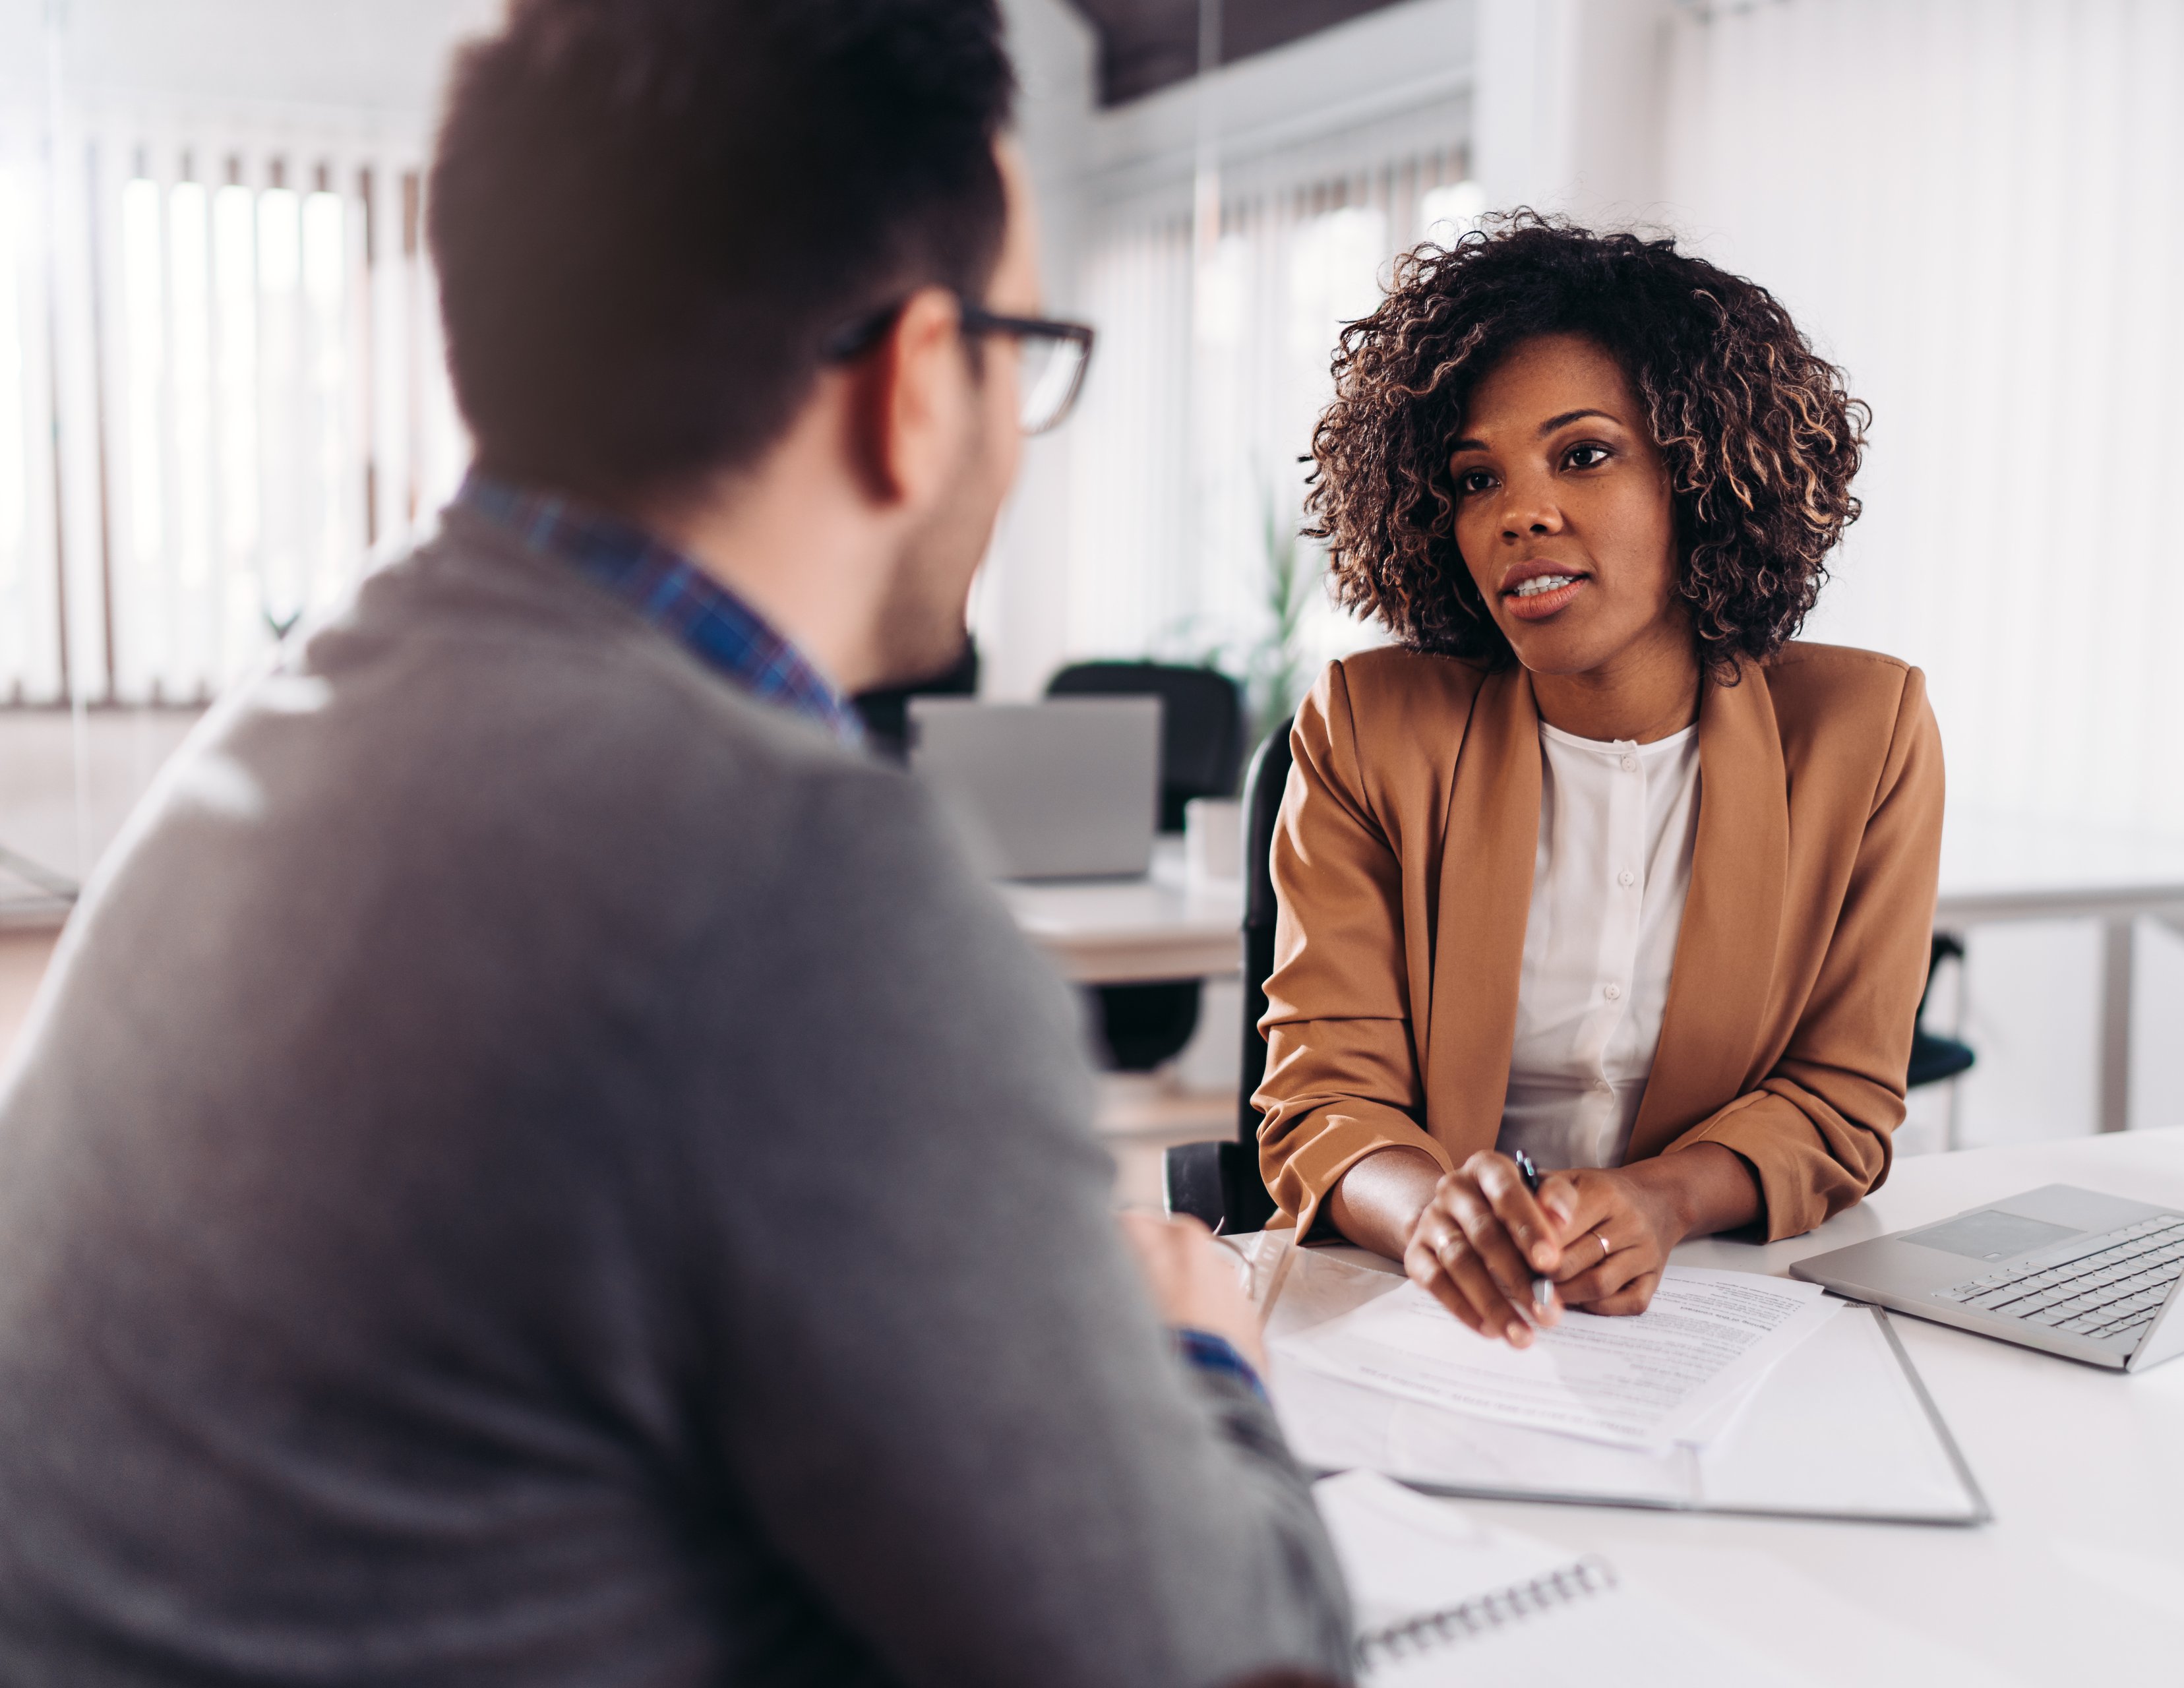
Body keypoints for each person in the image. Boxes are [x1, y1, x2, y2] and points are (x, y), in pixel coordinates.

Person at [0, 3, 1352, 1683]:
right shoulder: (802, 880)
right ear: (921, 383)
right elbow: (1223, 1661)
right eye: (1024, 351)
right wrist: (1198, 1353)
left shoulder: (293, 723)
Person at [1258, 216, 1943, 1346]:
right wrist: (1435, 1216)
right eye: (1477, 478)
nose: (1519, 513)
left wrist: (1663, 1201)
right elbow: (1326, 1096)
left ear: (1701, 475)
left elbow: (1843, 1097)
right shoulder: (1369, 727)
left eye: (1583, 455)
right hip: (1431, 1319)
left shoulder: (1865, 734)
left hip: (1728, 1309)